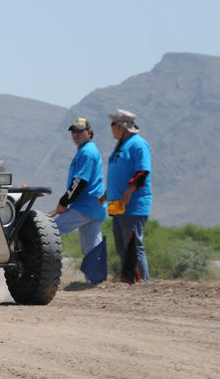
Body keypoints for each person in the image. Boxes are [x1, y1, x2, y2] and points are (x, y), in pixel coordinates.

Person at [51, 118, 107, 283]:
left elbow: (80, 182)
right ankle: (95, 279)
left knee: (51, 229)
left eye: (80, 131)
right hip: (91, 206)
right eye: (73, 131)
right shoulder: (86, 150)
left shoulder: (87, 152)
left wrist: (64, 202)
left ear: (89, 133)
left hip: (85, 206)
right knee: (91, 244)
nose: (76, 134)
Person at [103, 109, 152, 283]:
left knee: (133, 245)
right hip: (118, 205)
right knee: (122, 247)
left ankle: (142, 283)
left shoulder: (138, 144)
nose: (111, 128)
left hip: (133, 205)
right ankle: (129, 280)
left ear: (122, 127)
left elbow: (142, 172)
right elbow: (119, 174)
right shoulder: (122, 145)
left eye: (114, 124)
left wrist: (128, 192)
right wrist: (107, 194)